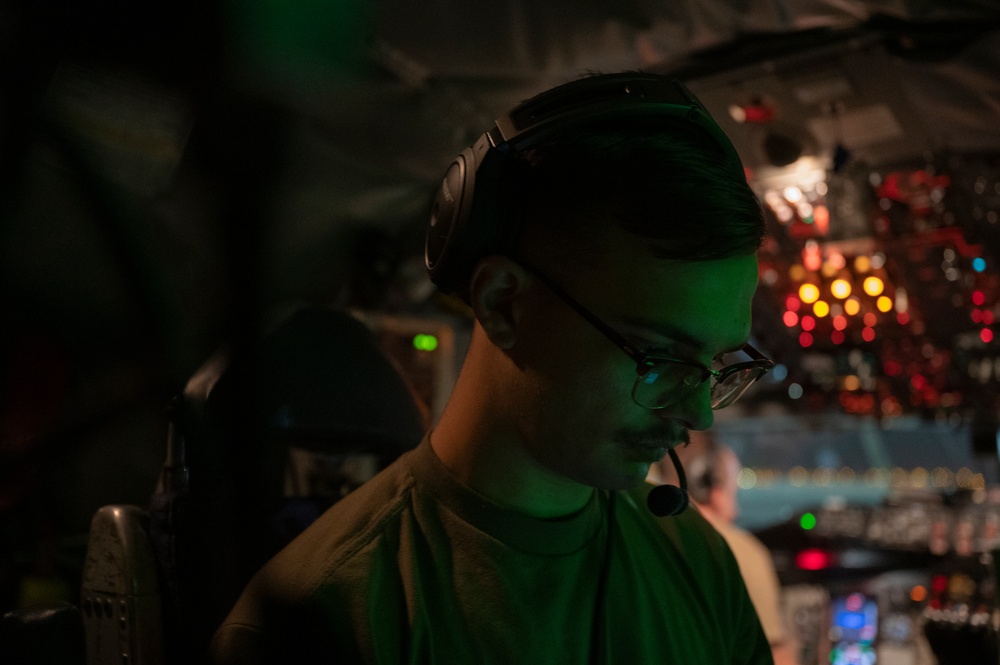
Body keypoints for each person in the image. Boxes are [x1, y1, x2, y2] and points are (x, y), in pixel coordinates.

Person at [209, 71, 777, 664]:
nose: (700, 412)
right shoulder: (327, 617)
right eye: (659, 356)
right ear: (504, 303)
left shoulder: (698, 562)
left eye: (715, 364)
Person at [650, 431, 799, 665]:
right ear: (706, 481)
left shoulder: (638, 530)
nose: (736, 510)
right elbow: (774, 657)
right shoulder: (738, 549)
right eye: (731, 488)